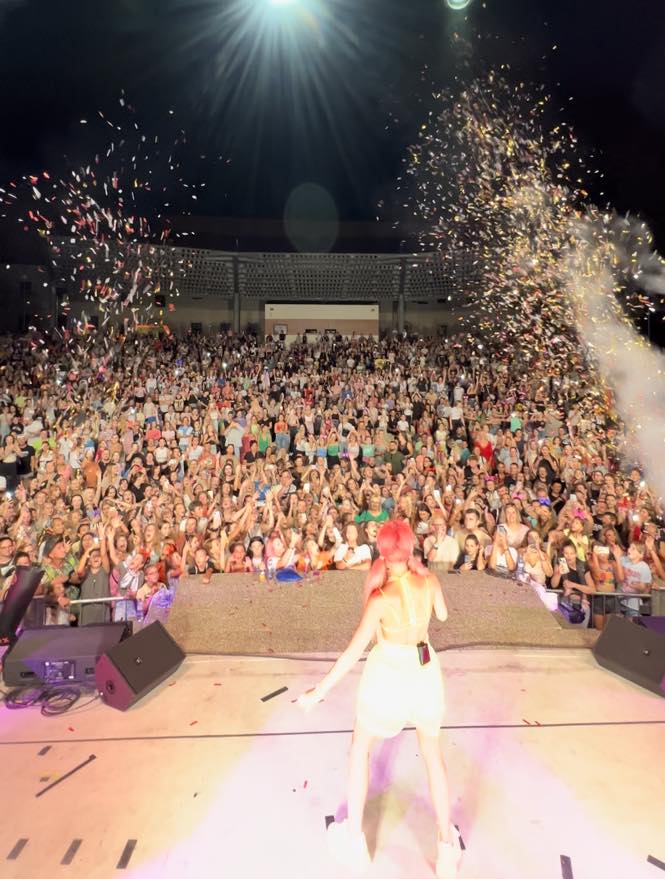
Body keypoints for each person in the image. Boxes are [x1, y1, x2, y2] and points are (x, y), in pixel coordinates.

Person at [297, 520, 461, 878]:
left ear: (383, 553)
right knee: (433, 755)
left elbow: (353, 652)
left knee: (360, 748)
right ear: (411, 549)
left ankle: (354, 841)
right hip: (424, 670)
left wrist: (319, 692)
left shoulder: (380, 598)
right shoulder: (429, 581)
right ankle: (447, 849)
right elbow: (444, 615)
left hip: (389, 673)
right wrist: (423, 577)